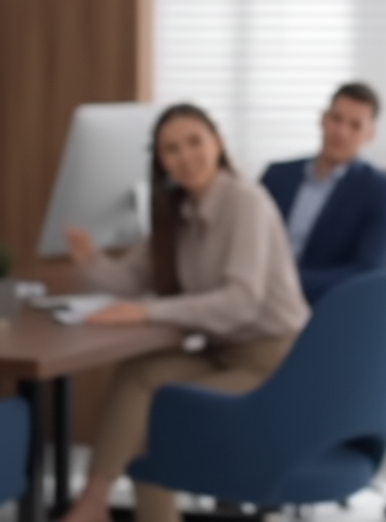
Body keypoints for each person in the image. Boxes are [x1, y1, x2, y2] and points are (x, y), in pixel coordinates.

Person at [59, 104, 310, 522]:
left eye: (195, 141)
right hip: (222, 352)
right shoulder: (177, 210)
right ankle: (94, 501)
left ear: (218, 143)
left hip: (275, 363)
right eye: (171, 149)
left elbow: (240, 301)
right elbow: (132, 279)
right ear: (161, 163)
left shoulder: (245, 201)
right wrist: (89, 260)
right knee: (140, 372)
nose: (185, 155)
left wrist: (144, 312)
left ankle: (95, 508)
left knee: (159, 415)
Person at [261, 82, 386, 305]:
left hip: (319, 304)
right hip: (253, 291)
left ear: (370, 134)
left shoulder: (383, 191)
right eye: (336, 119)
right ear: (323, 119)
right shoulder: (277, 174)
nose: (341, 131)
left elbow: (367, 270)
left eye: (355, 125)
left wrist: (285, 283)